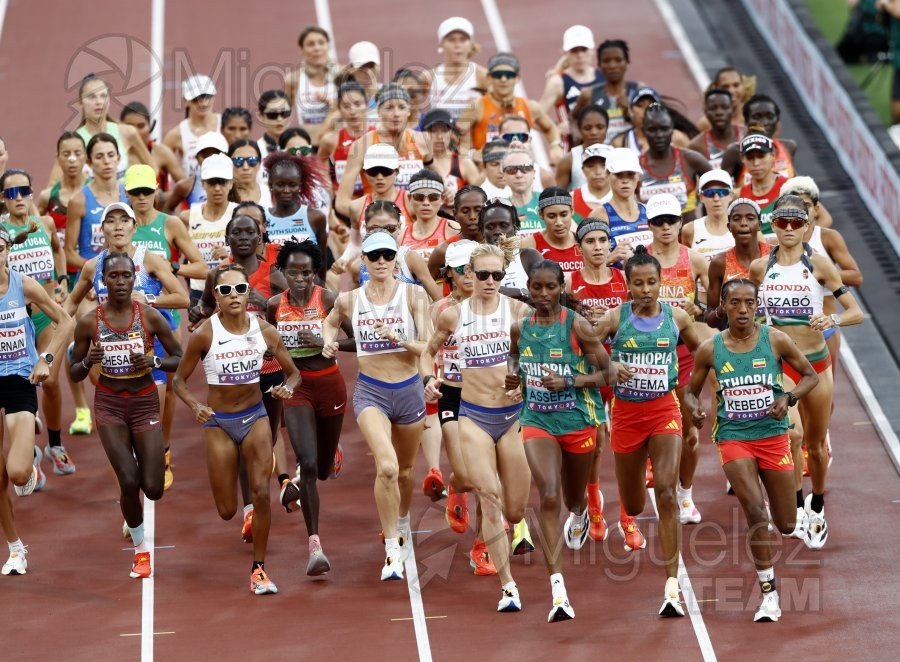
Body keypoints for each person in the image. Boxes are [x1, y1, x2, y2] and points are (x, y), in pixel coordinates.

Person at [685, 277, 819, 622]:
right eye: (735, 303)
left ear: (757, 306)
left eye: (749, 303)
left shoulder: (776, 340)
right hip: (734, 437)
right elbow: (690, 391)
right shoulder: (710, 349)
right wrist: (695, 409)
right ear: (724, 307)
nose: (742, 310)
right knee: (756, 512)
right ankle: (769, 593)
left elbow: (810, 376)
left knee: (786, 524)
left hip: (773, 437)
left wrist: (788, 398)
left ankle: (785, 518)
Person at [421, 241, 534, 612]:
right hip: (473, 415)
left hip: (512, 416)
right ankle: (508, 586)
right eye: (482, 274)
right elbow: (428, 351)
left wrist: (523, 375)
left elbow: (534, 354)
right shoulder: (454, 315)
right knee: (489, 494)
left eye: (496, 275)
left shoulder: (518, 311)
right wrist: (427, 378)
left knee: (515, 510)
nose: (489, 281)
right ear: (469, 275)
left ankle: (505, 529)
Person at [174, 264, 300, 594]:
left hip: (255, 416)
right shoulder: (205, 333)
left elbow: (294, 373)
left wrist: (287, 389)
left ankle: (259, 569)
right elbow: (178, 381)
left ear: (248, 293)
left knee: (260, 493)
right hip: (219, 424)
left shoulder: (265, 331)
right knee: (228, 510)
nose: (234, 296)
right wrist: (196, 406)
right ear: (215, 295)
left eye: (240, 289)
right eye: (226, 291)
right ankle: (239, 511)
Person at [751, 196, 863, 549]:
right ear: (772, 225)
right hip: (782, 364)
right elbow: (749, 310)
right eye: (780, 223)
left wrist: (833, 318)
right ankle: (797, 505)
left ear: (806, 226)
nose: (787, 229)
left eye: (794, 223)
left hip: (816, 363)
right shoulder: (759, 267)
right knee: (793, 436)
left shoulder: (820, 266)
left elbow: (855, 311)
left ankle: (817, 500)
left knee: (815, 445)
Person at [321, 231, 433, 581]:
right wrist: (328, 343)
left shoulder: (414, 295)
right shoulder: (350, 299)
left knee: (404, 471)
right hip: (371, 393)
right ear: (364, 262)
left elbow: (428, 346)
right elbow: (330, 321)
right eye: (374, 256)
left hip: (409, 390)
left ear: (396, 260)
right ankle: (392, 550)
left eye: (387, 255)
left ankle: (401, 522)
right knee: (386, 467)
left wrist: (399, 338)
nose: (381, 261)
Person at [596, 245, 700, 617]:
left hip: (664, 410)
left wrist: (693, 400)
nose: (645, 289)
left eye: (651, 282)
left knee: (667, 493)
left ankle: (672, 586)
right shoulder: (614, 318)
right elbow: (586, 346)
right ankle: (626, 507)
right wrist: (608, 365)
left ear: (661, 282)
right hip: (625, 414)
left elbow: (703, 356)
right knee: (636, 503)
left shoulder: (677, 318)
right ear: (627, 285)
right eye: (637, 283)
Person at [506, 259, 609, 622]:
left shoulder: (577, 325)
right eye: (537, 288)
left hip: (578, 421)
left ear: (562, 287)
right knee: (548, 493)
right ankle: (557, 587)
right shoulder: (520, 327)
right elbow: (516, 358)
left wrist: (568, 382)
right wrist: (514, 377)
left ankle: (580, 513)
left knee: (572, 497)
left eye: (551, 287)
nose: (545, 294)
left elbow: (608, 373)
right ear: (529, 290)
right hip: (537, 420)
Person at [69, 250, 182, 579]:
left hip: (145, 401)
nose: (120, 282)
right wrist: (88, 360)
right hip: (110, 404)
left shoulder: (149, 317)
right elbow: (74, 373)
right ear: (103, 281)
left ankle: (145, 495)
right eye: (113, 276)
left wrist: (155, 362)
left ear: (135, 279)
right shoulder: (90, 321)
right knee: (129, 480)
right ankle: (140, 550)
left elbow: (180, 357)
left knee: (154, 487)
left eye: (126, 276)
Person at [267, 240, 351, 575]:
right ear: (283, 272)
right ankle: (315, 545)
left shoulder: (328, 300)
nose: (300, 278)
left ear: (315, 272)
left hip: (330, 384)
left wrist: (326, 343)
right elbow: (267, 344)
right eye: (292, 272)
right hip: (298, 388)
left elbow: (357, 342)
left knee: (324, 469)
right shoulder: (274, 305)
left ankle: (333, 453)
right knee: (308, 464)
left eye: (306, 272)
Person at [126, 165, 208, 489]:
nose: (142, 198)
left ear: (156, 192)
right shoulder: (123, 228)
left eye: (147, 191)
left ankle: (164, 448)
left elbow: (199, 264)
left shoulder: (169, 223)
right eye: (136, 192)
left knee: (169, 387)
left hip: (167, 318)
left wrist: (172, 268)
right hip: (130, 322)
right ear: (128, 195)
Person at [567, 218, 645, 549]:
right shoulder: (570, 284)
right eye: (591, 241)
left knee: (628, 449)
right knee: (596, 446)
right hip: (589, 373)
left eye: (603, 240)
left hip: (621, 371)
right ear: (579, 248)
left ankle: (628, 518)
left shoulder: (623, 280)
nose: (598, 246)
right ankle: (595, 507)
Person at [0, 226, 74, 576]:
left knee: (15, 474)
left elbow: (66, 321)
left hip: (18, 380)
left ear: (7, 251)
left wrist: (45, 358)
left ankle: (27, 457)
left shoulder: (23, 285)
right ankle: (15, 549)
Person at [429, 240, 497, 574]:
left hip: (487, 397)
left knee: (488, 480)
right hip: (453, 395)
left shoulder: (494, 305)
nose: (469, 276)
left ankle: (481, 547)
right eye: (461, 270)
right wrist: (427, 378)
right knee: (468, 474)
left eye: (474, 269)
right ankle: (457, 485)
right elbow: (426, 351)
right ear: (451, 275)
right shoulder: (441, 310)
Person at [645, 194, 710, 525]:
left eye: (671, 220)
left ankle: (685, 493)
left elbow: (717, 310)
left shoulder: (695, 260)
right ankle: (659, 484)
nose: (666, 226)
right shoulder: (639, 261)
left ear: (680, 222)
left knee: (690, 434)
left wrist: (697, 309)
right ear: (649, 225)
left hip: (684, 358)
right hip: (648, 360)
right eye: (658, 221)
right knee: (651, 434)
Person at [1, 169, 69, 476]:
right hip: (15, 317)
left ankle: (55, 443)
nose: (18, 198)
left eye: (23, 191)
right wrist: (16, 237)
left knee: (51, 380)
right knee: (21, 384)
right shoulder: (2, 234)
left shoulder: (46, 222)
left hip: (44, 313)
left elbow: (57, 248)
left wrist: (63, 277)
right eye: (11, 193)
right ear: (3, 199)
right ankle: (27, 448)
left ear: (32, 193)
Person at [64, 133, 128, 435]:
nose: (105, 161)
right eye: (99, 156)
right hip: (91, 283)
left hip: (123, 277)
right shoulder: (80, 201)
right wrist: (93, 270)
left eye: (110, 155)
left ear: (118, 158)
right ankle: (102, 402)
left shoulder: (129, 193)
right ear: (90, 162)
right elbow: (69, 252)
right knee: (96, 359)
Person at [780, 176, 863, 377]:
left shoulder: (827, 237)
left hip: (825, 326)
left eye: (806, 205)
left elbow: (856, 277)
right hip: (787, 330)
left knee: (825, 397)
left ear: (816, 209)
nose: (801, 210)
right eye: (795, 205)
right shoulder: (775, 242)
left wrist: (819, 274)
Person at [336, 84, 430, 218]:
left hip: (415, 226)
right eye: (389, 108)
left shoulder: (421, 140)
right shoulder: (362, 145)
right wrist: (374, 220)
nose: (396, 114)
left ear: (409, 111)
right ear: (379, 111)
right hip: (375, 225)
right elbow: (341, 202)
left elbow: (441, 188)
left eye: (402, 107)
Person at [457, 53, 564, 163]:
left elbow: (550, 128)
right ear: (489, 77)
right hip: (487, 173)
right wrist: (471, 155)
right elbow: (456, 139)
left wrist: (556, 145)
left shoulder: (530, 107)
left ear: (517, 78)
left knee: (547, 178)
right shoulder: (476, 107)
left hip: (520, 173)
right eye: (498, 75)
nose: (503, 79)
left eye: (509, 75)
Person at [52, 75, 151, 181]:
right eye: (91, 97)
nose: (99, 102)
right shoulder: (73, 142)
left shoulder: (127, 132)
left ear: (109, 101)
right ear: (80, 102)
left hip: (124, 197)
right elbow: (52, 186)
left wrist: (138, 188)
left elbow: (152, 168)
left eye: (103, 96)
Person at [180, 153, 238, 302]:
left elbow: (255, 255)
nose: (217, 188)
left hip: (233, 289)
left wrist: (229, 256)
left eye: (222, 182)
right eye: (212, 182)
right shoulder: (187, 217)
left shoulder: (240, 214)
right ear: (203, 184)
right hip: (199, 291)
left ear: (231, 183)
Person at [706, 198, 770, 331]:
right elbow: (710, 320)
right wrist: (723, 308)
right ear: (729, 227)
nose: (743, 223)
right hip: (737, 341)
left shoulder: (776, 255)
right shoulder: (719, 263)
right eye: (736, 218)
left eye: (750, 218)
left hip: (776, 338)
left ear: (759, 225)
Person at [638, 104, 711, 220]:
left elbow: (717, 193)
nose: (659, 135)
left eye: (664, 129)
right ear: (643, 131)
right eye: (652, 130)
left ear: (672, 129)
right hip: (652, 236)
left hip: (688, 235)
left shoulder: (691, 159)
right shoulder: (636, 167)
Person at [572, 39, 647, 142]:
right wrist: (576, 133)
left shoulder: (639, 91)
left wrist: (628, 113)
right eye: (606, 61)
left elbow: (650, 126)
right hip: (601, 155)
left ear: (627, 62)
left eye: (618, 60)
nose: (612, 66)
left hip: (632, 154)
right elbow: (573, 117)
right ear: (599, 65)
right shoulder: (588, 95)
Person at [541, 25, 604, 143]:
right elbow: (535, 117)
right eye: (574, 50)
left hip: (605, 150)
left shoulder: (604, 78)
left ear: (592, 51)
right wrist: (555, 127)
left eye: (584, 50)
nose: (579, 55)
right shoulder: (558, 82)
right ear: (564, 53)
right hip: (573, 153)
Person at [37, 133, 87, 279]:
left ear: (85, 156)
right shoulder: (47, 196)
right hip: (57, 272)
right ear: (58, 157)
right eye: (66, 154)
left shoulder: (94, 193)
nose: (72, 159)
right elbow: (33, 227)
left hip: (85, 269)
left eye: (77, 153)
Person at [263, 151, 328, 261]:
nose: (286, 190)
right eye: (280, 185)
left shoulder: (315, 217)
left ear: (300, 186)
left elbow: (322, 263)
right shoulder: (261, 218)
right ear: (270, 185)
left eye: (292, 185)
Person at [590, 148, 651, 262]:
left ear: (638, 176)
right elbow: (588, 265)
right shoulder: (599, 216)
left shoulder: (649, 212)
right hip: (616, 278)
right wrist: (609, 259)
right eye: (619, 174)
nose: (625, 180)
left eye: (630, 174)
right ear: (607, 174)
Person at [721, 95, 798, 186]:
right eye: (757, 117)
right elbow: (721, 190)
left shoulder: (788, 147)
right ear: (746, 121)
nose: (764, 122)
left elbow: (795, 183)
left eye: (770, 116)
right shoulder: (734, 152)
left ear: (777, 119)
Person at [163, 74, 221, 194]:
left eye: (207, 97)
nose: (203, 103)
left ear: (214, 97)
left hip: (222, 194)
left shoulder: (226, 125)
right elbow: (163, 169)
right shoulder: (176, 134)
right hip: (192, 200)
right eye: (196, 99)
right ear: (186, 101)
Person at [427, 17, 490, 122]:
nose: (457, 45)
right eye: (451, 40)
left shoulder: (482, 76)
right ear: (441, 44)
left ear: (470, 43)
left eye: (463, 39)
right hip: (440, 136)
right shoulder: (430, 77)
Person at [318, 81, 372, 200]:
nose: (352, 111)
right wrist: (328, 185)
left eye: (358, 104)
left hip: (372, 206)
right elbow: (320, 161)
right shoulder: (331, 139)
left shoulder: (379, 136)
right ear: (339, 108)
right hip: (343, 206)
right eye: (346, 106)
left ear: (367, 104)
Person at [283, 26, 337, 145]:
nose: (317, 48)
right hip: (309, 147)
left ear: (328, 46)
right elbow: (284, 116)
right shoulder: (293, 80)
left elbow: (353, 110)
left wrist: (331, 103)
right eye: (311, 44)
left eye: (321, 43)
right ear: (301, 49)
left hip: (336, 146)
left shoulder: (341, 75)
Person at [120, 102, 184, 196]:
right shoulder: (113, 154)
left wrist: (165, 199)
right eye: (130, 126)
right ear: (121, 127)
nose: (134, 132)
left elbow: (186, 186)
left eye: (141, 126)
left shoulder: (161, 152)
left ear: (150, 127)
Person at [428, 185, 487, 282]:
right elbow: (426, 289)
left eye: (478, 210)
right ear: (455, 214)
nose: (472, 216)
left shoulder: (501, 244)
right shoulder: (443, 251)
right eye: (465, 211)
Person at [421, 109, 482, 203]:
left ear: (452, 133)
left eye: (445, 130)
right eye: (433, 130)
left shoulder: (463, 162)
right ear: (423, 133)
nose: (439, 136)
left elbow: (481, 196)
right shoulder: (416, 162)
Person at [402, 169, 459, 265]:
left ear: (442, 199)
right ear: (410, 199)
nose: (426, 203)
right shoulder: (402, 236)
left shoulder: (454, 229)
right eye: (419, 197)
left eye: (433, 197)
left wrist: (438, 264)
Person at [520, 188, 582, 274]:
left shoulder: (584, 243)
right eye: (552, 216)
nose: (559, 223)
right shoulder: (527, 245)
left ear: (572, 211)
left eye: (564, 215)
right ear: (541, 215)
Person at [163, 131, 229, 212]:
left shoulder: (238, 184)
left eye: (216, 154)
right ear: (197, 159)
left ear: (226, 156)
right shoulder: (186, 185)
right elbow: (168, 209)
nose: (210, 159)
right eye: (205, 156)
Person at [736, 134, 786, 239]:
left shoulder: (790, 188)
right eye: (750, 158)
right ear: (742, 159)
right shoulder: (737, 196)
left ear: (773, 155)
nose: (756, 163)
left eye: (761, 156)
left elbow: (824, 218)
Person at [612, 88, 692, 153]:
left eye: (652, 105)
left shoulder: (677, 138)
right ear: (630, 110)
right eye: (640, 105)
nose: (646, 109)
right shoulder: (620, 143)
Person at [680, 169, 736, 263]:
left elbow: (764, 261)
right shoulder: (690, 230)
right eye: (710, 193)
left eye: (722, 192)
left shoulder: (744, 226)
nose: (716, 198)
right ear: (701, 197)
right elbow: (685, 268)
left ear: (731, 195)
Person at [687, 89, 745, 170]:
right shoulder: (696, 146)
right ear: (706, 111)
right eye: (713, 108)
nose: (719, 112)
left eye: (724, 107)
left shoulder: (747, 134)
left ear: (732, 109)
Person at [556, 105, 609, 191]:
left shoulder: (616, 155)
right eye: (587, 128)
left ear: (607, 128)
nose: (594, 132)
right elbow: (557, 197)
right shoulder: (569, 160)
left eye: (600, 127)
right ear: (579, 130)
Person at [502, 149, 542, 234]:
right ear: (504, 175)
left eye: (525, 168)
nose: (519, 175)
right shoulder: (500, 209)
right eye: (511, 169)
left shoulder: (547, 203)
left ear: (533, 173)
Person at [571, 144, 612, 220]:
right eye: (590, 166)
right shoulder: (571, 199)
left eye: (604, 165)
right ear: (583, 170)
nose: (598, 172)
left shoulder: (624, 198)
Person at [255, 90, 293, 168]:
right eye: (272, 115)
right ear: (260, 116)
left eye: (284, 113)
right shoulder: (254, 150)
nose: (279, 119)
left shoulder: (303, 148)